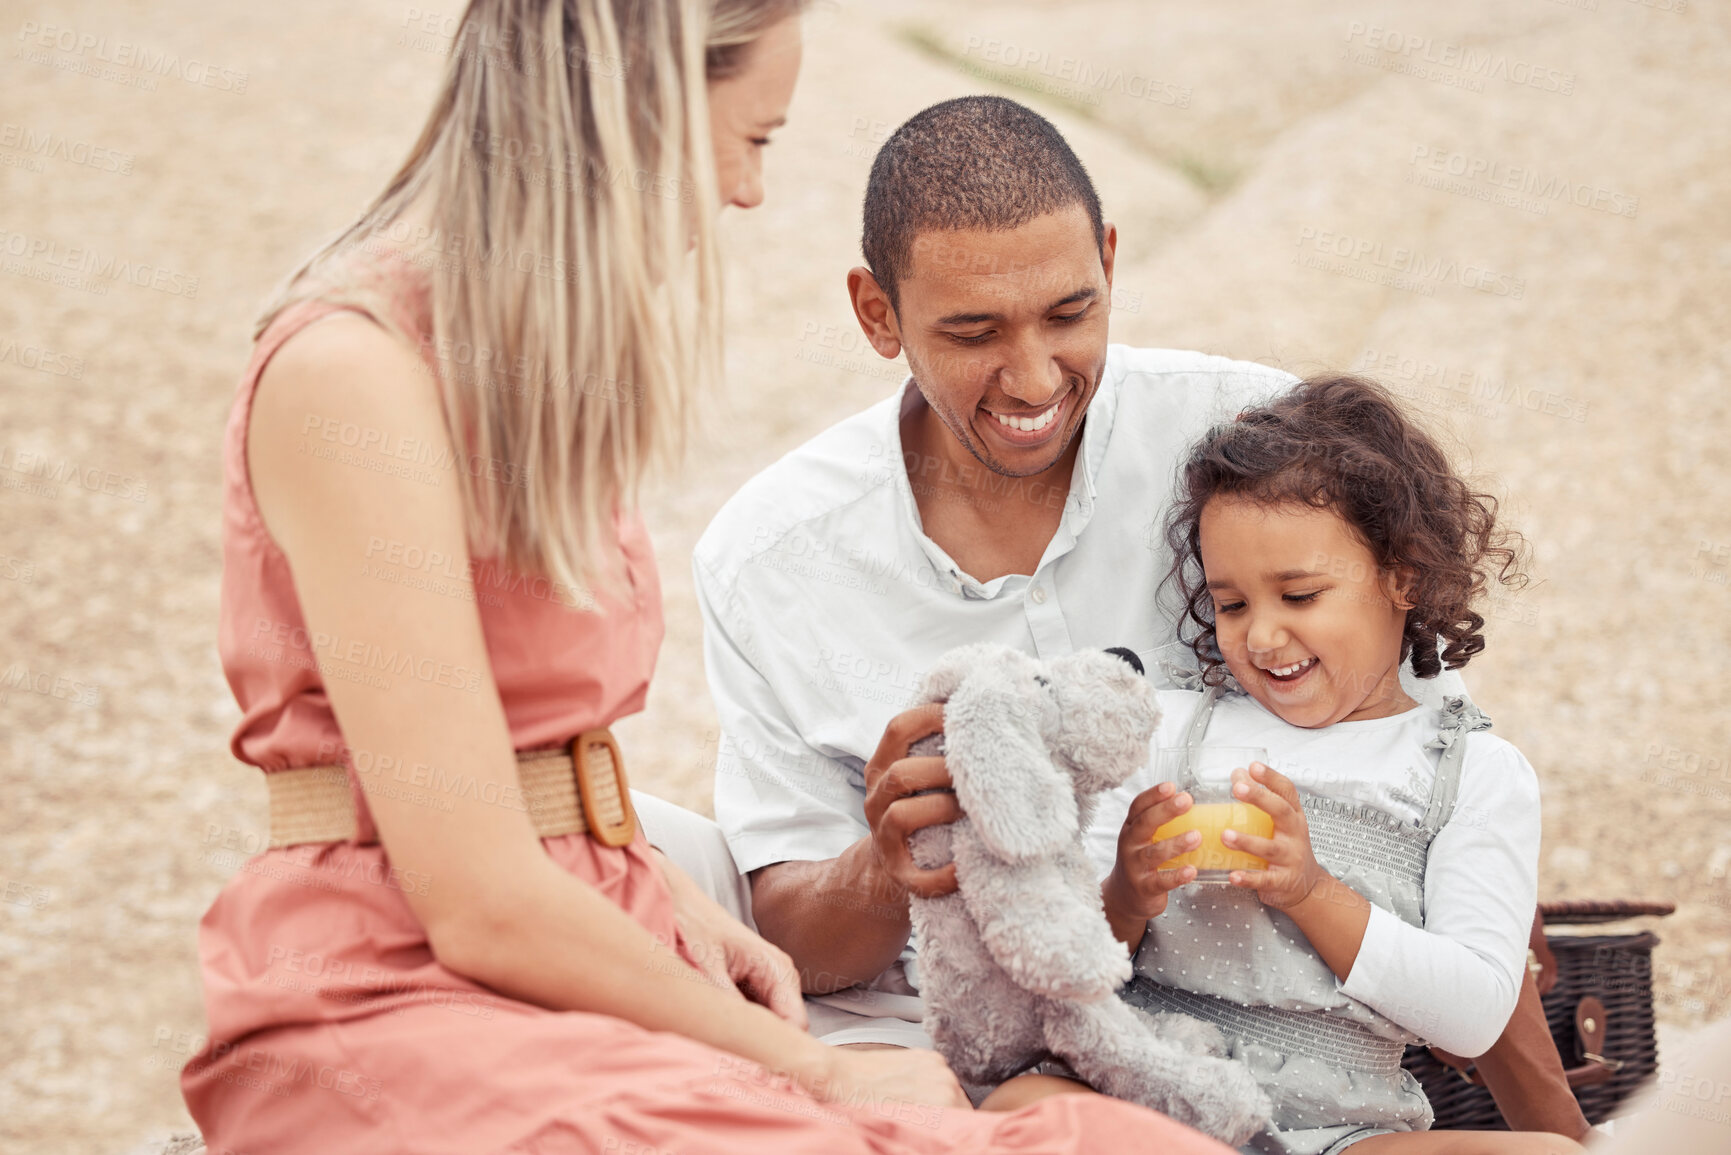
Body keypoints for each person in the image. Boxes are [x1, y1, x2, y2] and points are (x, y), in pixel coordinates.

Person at [181, 3, 1219, 1151]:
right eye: (752, 137)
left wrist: (667, 897)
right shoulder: (352, 377)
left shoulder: (523, 374)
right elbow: (474, 898)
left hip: (596, 943)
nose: (747, 189)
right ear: (642, 111)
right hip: (403, 993)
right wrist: (811, 1070)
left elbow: (528, 777)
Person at [1077, 375, 1585, 1153]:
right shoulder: (1169, 734)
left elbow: (1475, 1013)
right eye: (1233, 604)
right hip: (1148, 1100)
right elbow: (1070, 963)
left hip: (1342, 1131)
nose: (1263, 637)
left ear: (1402, 575)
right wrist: (1125, 890)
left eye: (1300, 594)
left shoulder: (1470, 772)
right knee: (1017, 1094)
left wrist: (1312, 893)